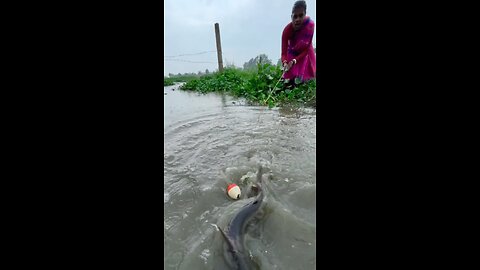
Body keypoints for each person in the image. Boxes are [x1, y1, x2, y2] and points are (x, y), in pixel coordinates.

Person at [281, 1, 316, 86]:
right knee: (289, 81)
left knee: (309, 77)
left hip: (306, 50)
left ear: (305, 15)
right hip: (293, 50)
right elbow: (283, 53)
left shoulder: (310, 26)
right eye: (295, 16)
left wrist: (294, 61)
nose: (297, 19)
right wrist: (285, 62)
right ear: (291, 17)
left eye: (301, 16)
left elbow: (307, 48)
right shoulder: (287, 31)